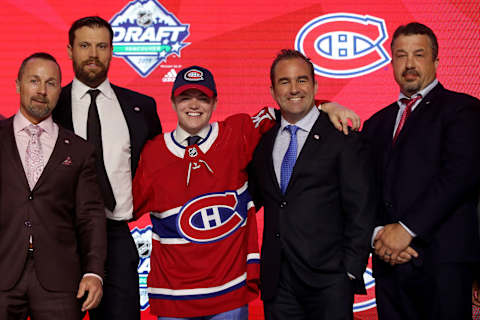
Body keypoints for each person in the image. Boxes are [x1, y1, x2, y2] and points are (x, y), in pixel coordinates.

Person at [132, 64, 362, 319]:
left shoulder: (238, 131)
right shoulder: (152, 152)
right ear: (173, 102)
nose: (194, 105)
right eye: (185, 98)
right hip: (173, 296)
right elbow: (127, 207)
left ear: (215, 102)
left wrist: (325, 105)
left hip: (229, 293)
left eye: (203, 98)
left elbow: (292, 108)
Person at [362, 22, 480, 320]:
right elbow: (364, 189)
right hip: (390, 264)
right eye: (401, 55)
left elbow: (459, 176)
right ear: (391, 63)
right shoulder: (376, 123)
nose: (410, 64)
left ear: (436, 61)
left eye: (419, 54)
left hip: (443, 264)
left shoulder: (463, 110)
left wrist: (406, 229)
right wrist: (380, 235)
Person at [248, 49, 376, 320]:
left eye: (302, 80)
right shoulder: (263, 142)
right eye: (285, 82)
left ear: (315, 86)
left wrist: (350, 270)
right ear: (272, 91)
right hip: (278, 283)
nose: (294, 89)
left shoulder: (342, 136)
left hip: (329, 282)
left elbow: (361, 206)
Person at [52, 16, 162, 320]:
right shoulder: (51, 106)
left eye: (101, 46)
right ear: (70, 50)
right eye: (84, 45)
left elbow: (158, 168)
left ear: (113, 51)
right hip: (62, 237)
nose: (93, 54)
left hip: (116, 235)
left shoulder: (142, 107)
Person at [0, 52, 106, 319]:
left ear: (61, 89)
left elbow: (90, 216)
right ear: (17, 85)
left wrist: (94, 272)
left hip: (59, 279)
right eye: (34, 81)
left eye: (51, 83)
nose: (42, 91)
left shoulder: (80, 150)